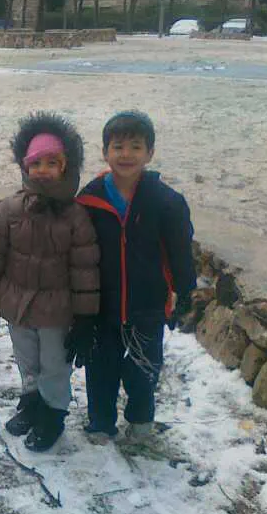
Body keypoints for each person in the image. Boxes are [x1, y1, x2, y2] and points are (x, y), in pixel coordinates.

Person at [0, 112, 101, 452]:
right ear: (25, 166)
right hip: (18, 305)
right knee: (27, 360)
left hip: (57, 311)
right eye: (36, 163)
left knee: (54, 365)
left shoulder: (76, 217)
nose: (43, 170)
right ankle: (31, 403)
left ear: (65, 167)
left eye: (52, 163)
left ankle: (53, 414)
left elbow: (85, 270)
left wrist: (85, 317)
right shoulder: (10, 209)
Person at [76, 111, 196, 444]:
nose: (126, 154)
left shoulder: (167, 203)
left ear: (150, 153)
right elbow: (79, 254)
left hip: (148, 306)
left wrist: (185, 292)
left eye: (136, 147)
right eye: (118, 147)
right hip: (102, 306)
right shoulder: (89, 200)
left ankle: (141, 420)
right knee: (101, 369)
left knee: (145, 369)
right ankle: (101, 423)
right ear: (105, 153)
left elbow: (180, 252)